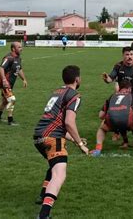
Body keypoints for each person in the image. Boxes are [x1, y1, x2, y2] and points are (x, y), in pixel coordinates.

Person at [33, 65, 89, 218]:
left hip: (38, 136)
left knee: (54, 165)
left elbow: (57, 122)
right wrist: (81, 144)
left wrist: (73, 139)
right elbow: (69, 122)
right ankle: (44, 215)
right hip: (53, 138)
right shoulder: (74, 95)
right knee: (59, 174)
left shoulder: (57, 92)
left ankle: (42, 195)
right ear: (77, 79)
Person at [90, 80, 133, 156]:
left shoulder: (112, 96)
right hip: (127, 120)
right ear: (129, 89)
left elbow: (101, 115)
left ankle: (98, 149)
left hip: (112, 119)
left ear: (119, 88)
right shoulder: (132, 96)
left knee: (102, 128)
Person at [0, 42, 28, 125]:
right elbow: (1, 68)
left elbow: (19, 69)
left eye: (21, 47)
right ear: (13, 49)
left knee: (5, 101)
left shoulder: (18, 58)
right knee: (12, 99)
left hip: (10, 83)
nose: (21, 48)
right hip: (5, 83)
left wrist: (24, 79)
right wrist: (4, 80)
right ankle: (10, 120)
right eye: (19, 47)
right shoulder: (9, 58)